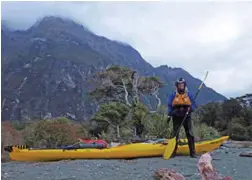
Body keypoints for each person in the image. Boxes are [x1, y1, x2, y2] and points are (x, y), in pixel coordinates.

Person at [167, 77, 197, 158]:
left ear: (184, 85)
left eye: (182, 84)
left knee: (190, 134)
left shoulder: (189, 94)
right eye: (179, 84)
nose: (181, 86)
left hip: (187, 116)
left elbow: (194, 105)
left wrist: (191, 109)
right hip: (177, 116)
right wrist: (172, 113)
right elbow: (169, 106)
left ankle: (193, 152)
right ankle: (173, 152)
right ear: (177, 85)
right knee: (175, 135)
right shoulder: (173, 95)